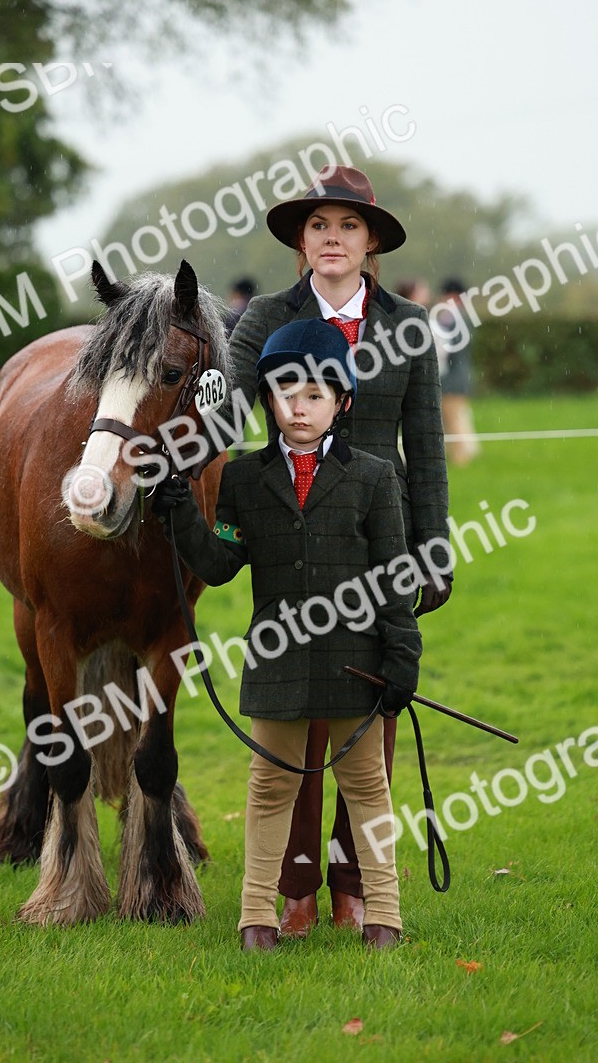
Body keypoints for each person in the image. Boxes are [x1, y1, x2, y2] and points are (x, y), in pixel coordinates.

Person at [226, 165, 450, 936]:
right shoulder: (261, 316)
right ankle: (294, 887)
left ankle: (355, 883)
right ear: (300, 239)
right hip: (287, 537)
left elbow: (425, 447)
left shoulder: (407, 328)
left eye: (347, 226)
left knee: (366, 726)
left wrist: (435, 550)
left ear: (371, 242)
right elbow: (224, 405)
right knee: (294, 718)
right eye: (319, 225)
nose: (332, 238)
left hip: (376, 545)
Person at [157, 319, 422, 951]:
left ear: (342, 403)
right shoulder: (245, 480)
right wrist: (182, 513)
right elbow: (221, 562)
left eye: (314, 396)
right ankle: (256, 917)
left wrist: (402, 656)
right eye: (284, 395)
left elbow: (393, 578)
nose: (299, 408)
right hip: (277, 665)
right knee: (270, 786)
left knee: (367, 788)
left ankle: (384, 914)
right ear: (268, 401)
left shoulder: (375, 478)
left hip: (356, 665)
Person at [437, 277, 479, 467]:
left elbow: (451, 350)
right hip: (460, 376)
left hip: (452, 379)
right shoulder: (462, 316)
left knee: (453, 418)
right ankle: (465, 453)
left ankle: (462, 457)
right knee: (458, 416)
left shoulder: (452, 318)